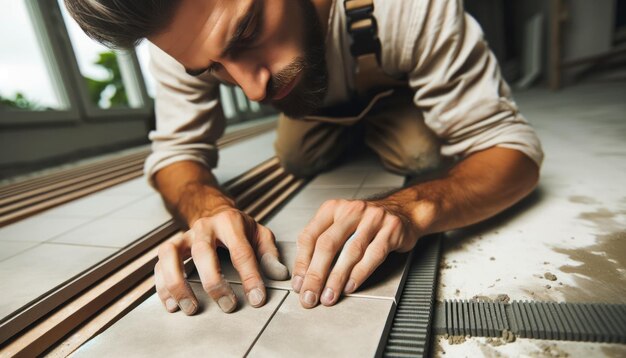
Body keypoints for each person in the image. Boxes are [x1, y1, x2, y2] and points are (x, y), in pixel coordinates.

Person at [65, 0, 543, 315]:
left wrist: (409, 207)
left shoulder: (409, 7)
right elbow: (174, 154)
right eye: (212, 69)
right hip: (307, 95)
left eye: (248, 30)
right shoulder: (180, 39)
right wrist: (209, 209)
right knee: (297, 158)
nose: (252, 89)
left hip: (397, 87)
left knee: (420, 153)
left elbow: (510, 148)